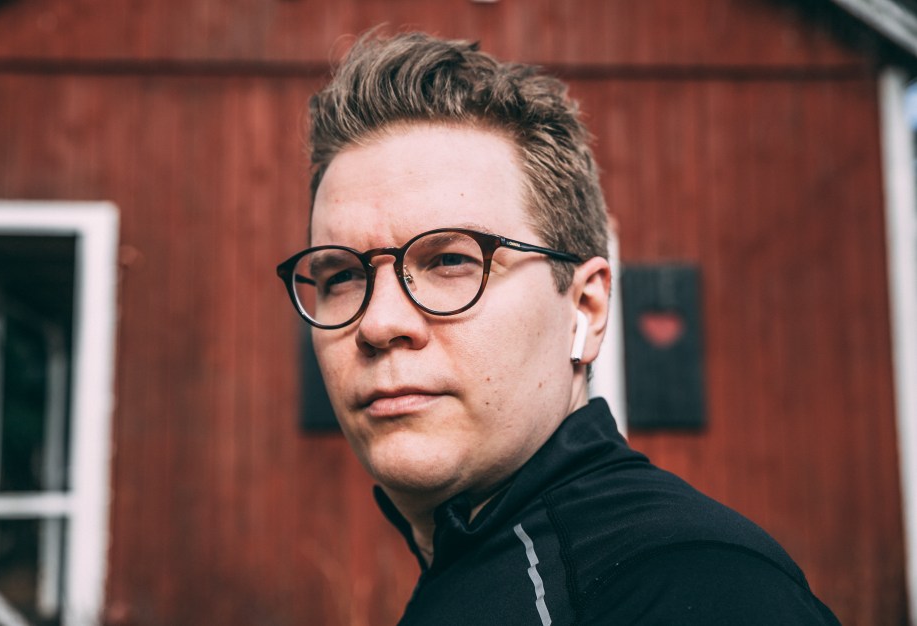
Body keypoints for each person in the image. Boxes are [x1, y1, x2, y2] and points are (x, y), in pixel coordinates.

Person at [277, 31, 839, 625]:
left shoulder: (690, 584)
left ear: (586, 308)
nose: (379, 323)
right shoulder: (491, 569)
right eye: (342, 275)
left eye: (451, 261)